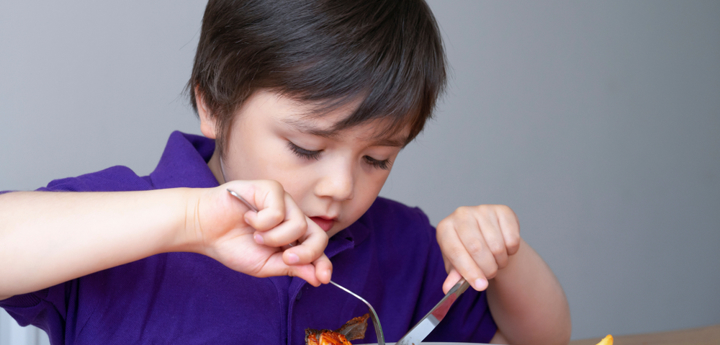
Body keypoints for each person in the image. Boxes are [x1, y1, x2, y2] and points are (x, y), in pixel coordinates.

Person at [0, 0, 571, 344]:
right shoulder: (127, 219)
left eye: (378, 159)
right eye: (305, 146)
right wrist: (191, 219)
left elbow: (539, 338)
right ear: (214, 105)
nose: (341, 188)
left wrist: (504, 255)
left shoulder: (399, 246)